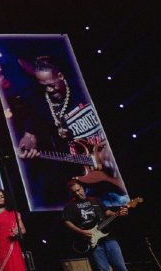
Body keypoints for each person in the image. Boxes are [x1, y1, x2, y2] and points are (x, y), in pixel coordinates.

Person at [16, 56, 124, 207]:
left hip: (112, 162)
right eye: (44, 86)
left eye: (52, 85)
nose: (49, 90)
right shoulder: (38, 103)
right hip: (82, 172)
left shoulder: (81, 87)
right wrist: (25, 147)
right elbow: (29, 136)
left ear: (60, 76)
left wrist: (109, 148)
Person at [62, 179, 145, 271]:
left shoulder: (95, 200)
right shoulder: (70, 206)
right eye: (74, 192)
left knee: (122, 270)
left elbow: (107, 213)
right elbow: (66, 222)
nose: (77, 193)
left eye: (78, 190)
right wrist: (81, 231)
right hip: (93, 242)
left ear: (83, 188)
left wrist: (118, 213)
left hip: (109, 239)